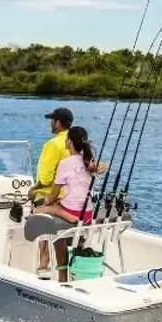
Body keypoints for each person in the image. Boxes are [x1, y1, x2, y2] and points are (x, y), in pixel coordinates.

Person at [33, 126, 100, 281]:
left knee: (39, 212)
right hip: (88, 213)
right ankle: (75, 249)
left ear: (69, 141)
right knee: (55, 206)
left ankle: (58, 273)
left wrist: (47, 205)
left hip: (73, 213)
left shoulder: (65, 163)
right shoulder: (90, 162)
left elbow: (53, 195)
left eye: (67, 138)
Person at [27, 107, 73, 206]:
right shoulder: (74, 142)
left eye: (52, 120)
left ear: (58, 122)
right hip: (69, 196)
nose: (50, 123)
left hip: (49, 197)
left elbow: (45, 178)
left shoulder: (53, 144)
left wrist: (34, 188)